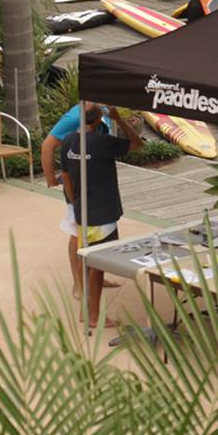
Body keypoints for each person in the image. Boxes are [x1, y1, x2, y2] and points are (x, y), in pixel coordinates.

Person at [59, 103, 141, 331]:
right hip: (102, 212)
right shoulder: (102, 142)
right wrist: (119, 119)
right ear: (98, 121)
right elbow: (137, 143)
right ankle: (93, 315)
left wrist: (75, 203)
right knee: (97, 265)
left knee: (87, 260)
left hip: (81, 210)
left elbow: (65, 175)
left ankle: (86, 311)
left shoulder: (68, 140)